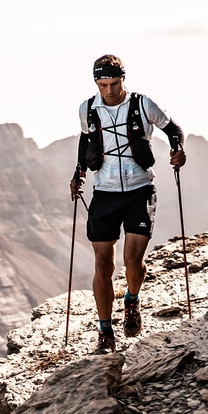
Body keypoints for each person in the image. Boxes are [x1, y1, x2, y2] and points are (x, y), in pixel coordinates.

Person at [69, 54, 186, 354]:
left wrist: (178, 150)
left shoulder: (142, 104)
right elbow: (86, 142)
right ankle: (105, 333)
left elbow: (173, 130)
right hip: (104, 193)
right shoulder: (88, 109)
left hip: (139, 190)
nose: (109, 90)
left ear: (123, 79)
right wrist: (78, 173)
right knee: (103, 264)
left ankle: (131, 299)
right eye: (103, 84)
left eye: (114, 83)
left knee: (133, 261)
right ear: (96, 82)